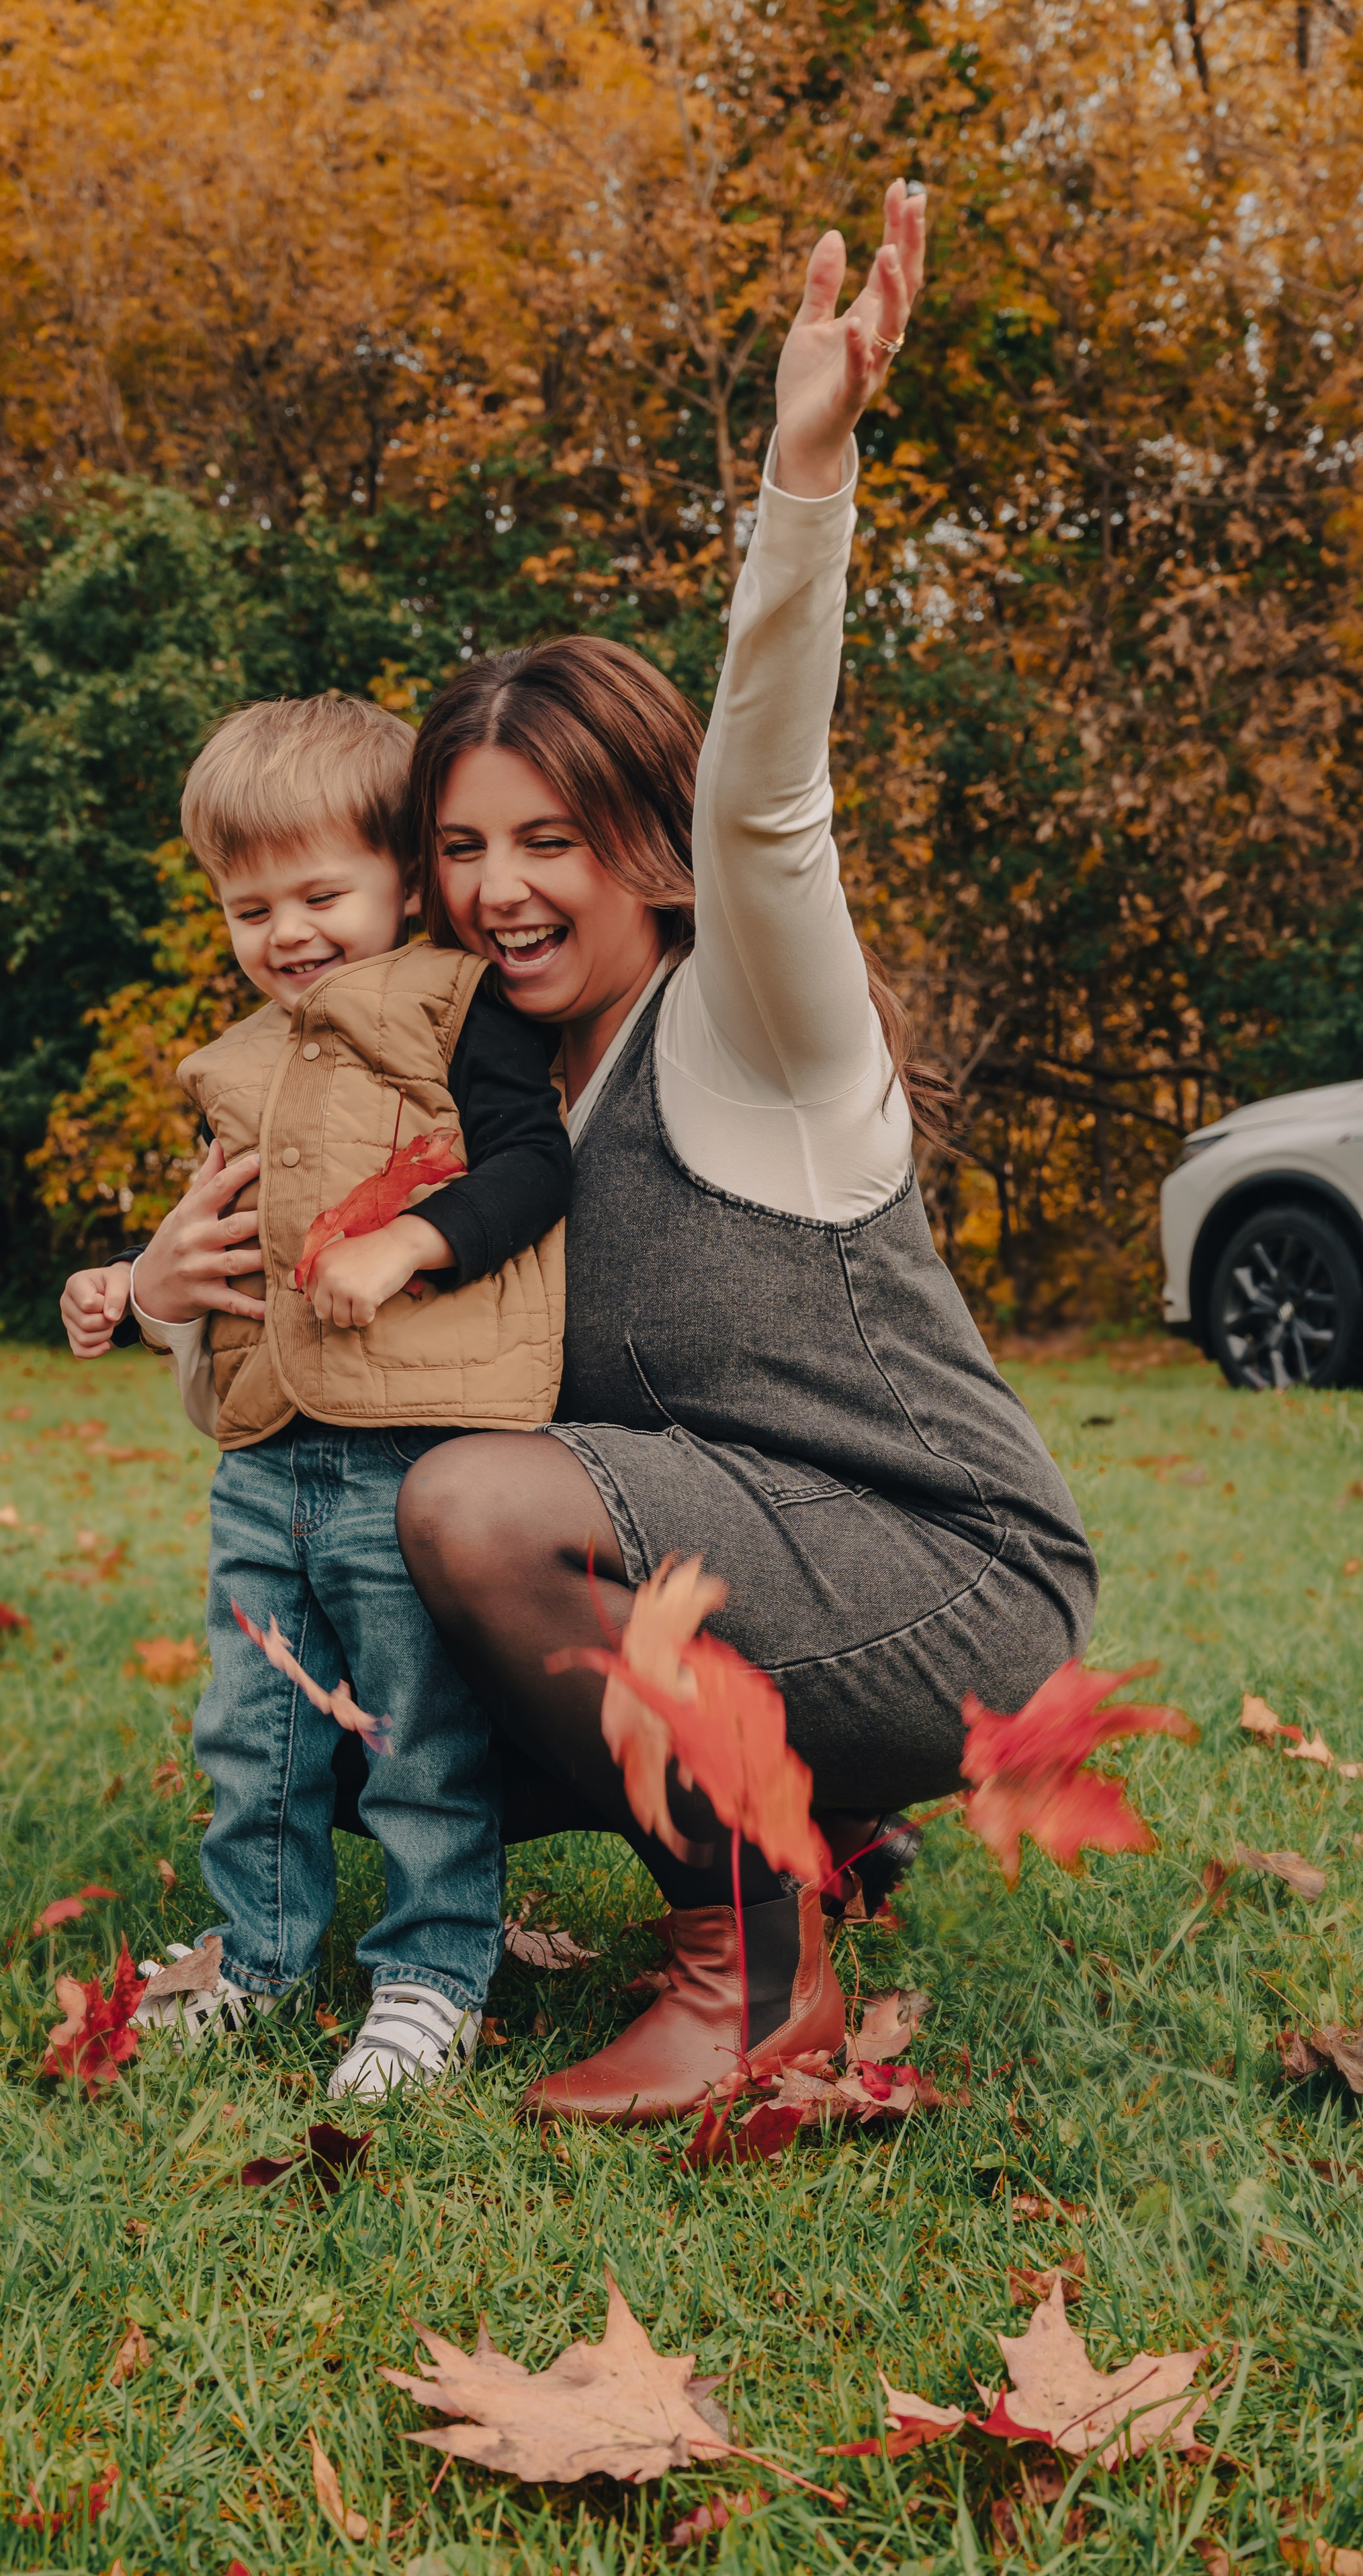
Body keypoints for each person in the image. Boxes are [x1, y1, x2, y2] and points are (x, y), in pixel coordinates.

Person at [379, 177, 1099, 2123]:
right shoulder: (503, 1085)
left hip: (956, 1583)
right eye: (461, 847)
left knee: (479, 1514)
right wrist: (190, 1307)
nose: (501, 889)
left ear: (646, 847)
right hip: (762, 1571)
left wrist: (807, 479)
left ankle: (753, 1969)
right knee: (360, 1624)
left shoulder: (753, 1021)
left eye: (549, 839)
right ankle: (833, 1836)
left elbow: (770, 804)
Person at [60, 695, 571, 2102]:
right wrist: (131, 1285)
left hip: (410, 1453)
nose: (283, 933)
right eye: (248, 907)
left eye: (318, 893)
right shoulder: (240, 1064)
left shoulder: (452, 1011)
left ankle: (429, 1973)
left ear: (404, 880)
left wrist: (414, 1238)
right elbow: (222, 1239)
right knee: (252, 1726)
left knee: (411, 1729)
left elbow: (533, 1168)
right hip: (263, 1461)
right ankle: (261, 1950)